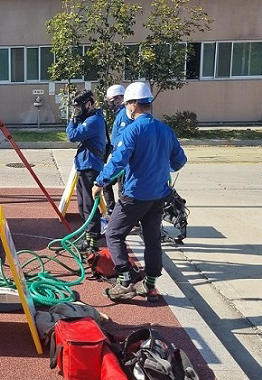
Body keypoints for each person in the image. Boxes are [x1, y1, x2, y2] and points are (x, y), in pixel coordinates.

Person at [92, 82, 187, 302]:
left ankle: (125, 279)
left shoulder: (133, 129)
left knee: (114, 233)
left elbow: (118, 160)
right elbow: (179, 161)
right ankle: (150, 286)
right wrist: (160, 164)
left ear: (133, 105)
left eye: (127, 104)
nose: (126, 108)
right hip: (159, 195)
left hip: (135, 194)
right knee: (152, 239)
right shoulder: (165, 129)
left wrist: (99, 182)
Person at [66, 89, 108, 252]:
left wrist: (72, 120)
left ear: (89, 104)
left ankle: (93, 241)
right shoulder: (90, 119)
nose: (77, 111)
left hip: (91, 166)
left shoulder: (94, 121)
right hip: (84, 165)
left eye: (79, 108)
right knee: (83, 205)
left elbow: (72, 136)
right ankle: (88, 237)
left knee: (89, 206)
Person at [102, 84, 126, 213]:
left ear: (119, 99)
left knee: (122, 191)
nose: (109, 104)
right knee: (107, 184)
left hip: (122, 161)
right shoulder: (120, 114)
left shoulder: (124, 114)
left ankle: (122, 216)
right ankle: (112, 211)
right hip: (118, 157)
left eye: (111, 101)